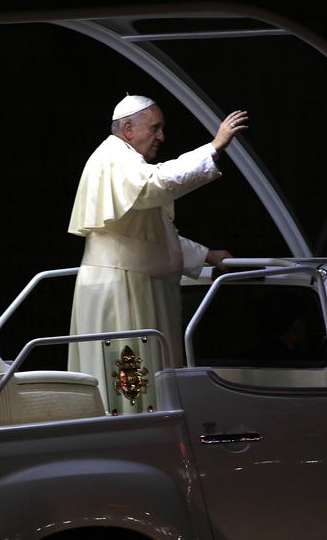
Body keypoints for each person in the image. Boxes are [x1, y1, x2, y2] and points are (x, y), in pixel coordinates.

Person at [67, 94, 248, 413]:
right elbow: (159, 183)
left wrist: (207, 255)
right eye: (155, 128)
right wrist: (213, 147)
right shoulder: (114, 158)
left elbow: (152, 235)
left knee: (143, 377)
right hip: (123, 290)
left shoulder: (122, 160)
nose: (161, 137)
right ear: (127, 128)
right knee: (129, 386)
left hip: (131, 282)